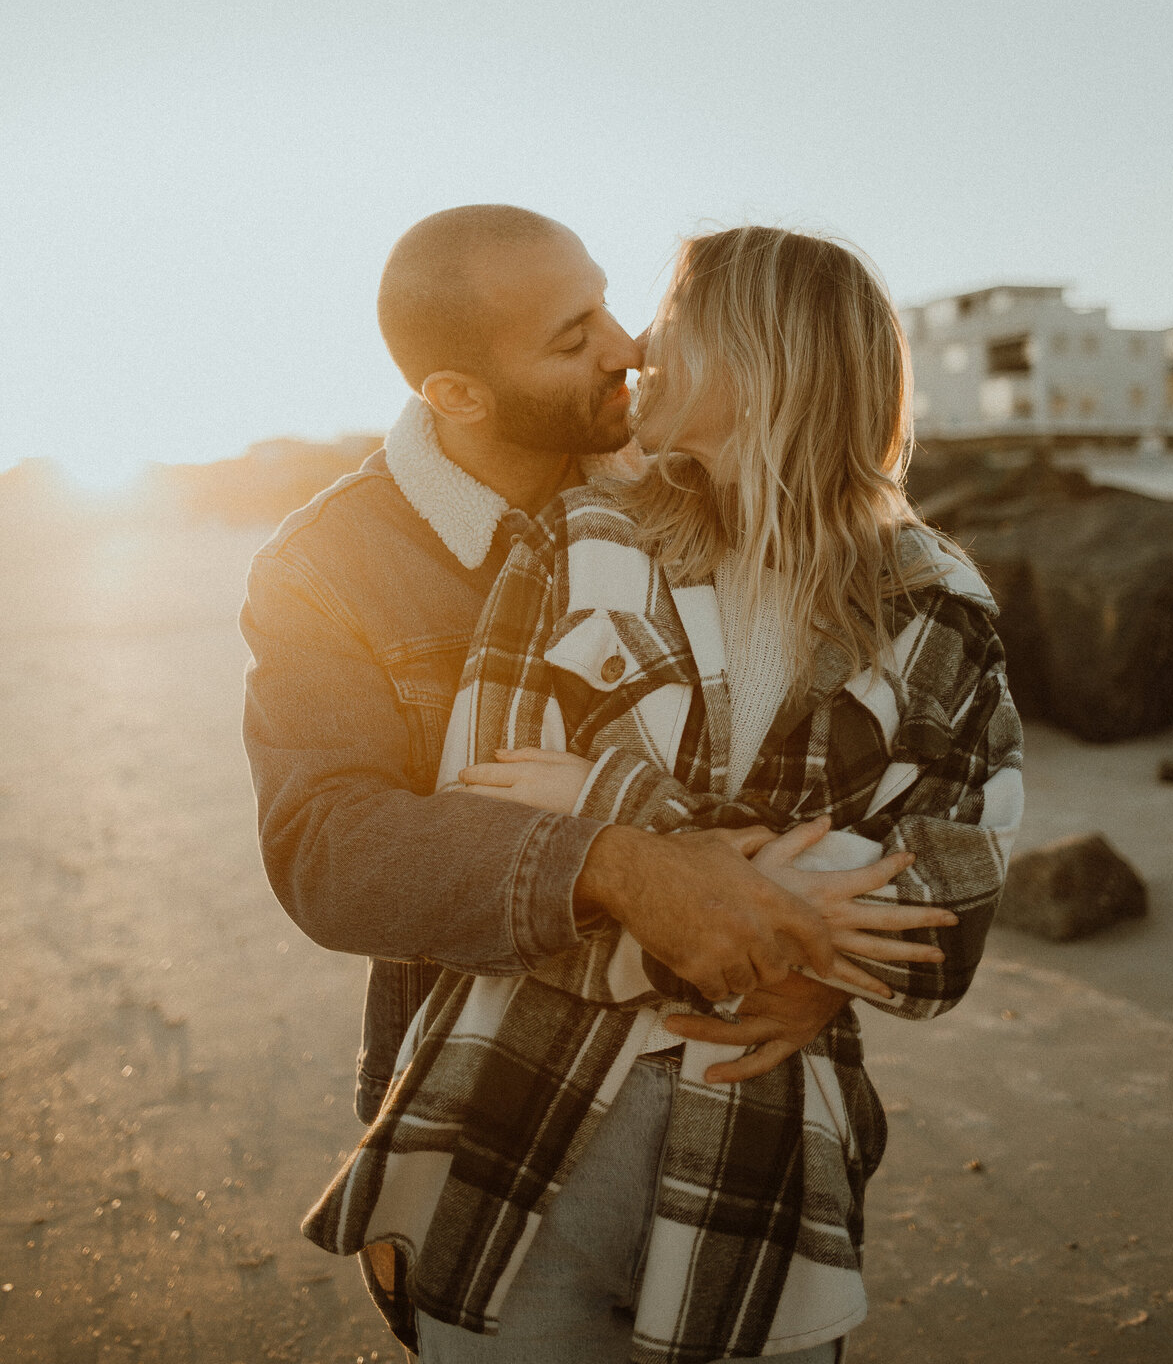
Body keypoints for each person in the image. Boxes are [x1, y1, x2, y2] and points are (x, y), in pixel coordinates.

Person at [303, 226, 1024, 1364]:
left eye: (657, 317)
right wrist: (788, 922)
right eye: (583, 330)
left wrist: (622, 808)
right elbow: (471, 801)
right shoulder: (581, 536)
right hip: (516, 1111)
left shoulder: (933, 603)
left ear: (764, 363)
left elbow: (949, 889)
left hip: (761, 1142)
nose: (635, 345)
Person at [243, 208, 873, 1321]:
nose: (627, 344)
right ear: (458, 395)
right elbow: (326, 850)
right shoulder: (325, 565)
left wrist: (819, 951)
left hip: (748, 1102)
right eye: (571, 336)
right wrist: (613, 863)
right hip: (489, 1114)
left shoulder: (699, 477)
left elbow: (860, 738)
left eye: (608, 302)